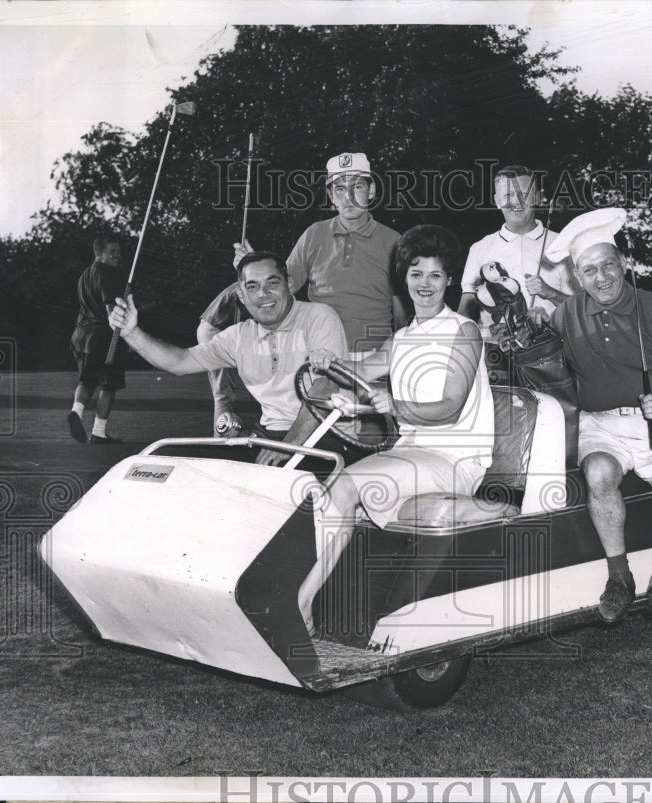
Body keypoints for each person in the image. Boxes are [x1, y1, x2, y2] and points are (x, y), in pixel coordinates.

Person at [304, 225, 494, 634]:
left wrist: (396, 404)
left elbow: (449, 407)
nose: (424, 284)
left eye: (435, 275)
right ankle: (339, 605)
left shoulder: (464, 331)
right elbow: (356, 370)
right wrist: (324, 363)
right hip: (411, 453)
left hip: (455, 458)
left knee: (344, 486)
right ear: (403, 278)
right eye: (415, 273)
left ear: (449, 281)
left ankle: (305, 606)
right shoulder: (402, 337)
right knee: (327, 485)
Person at [538, 208, 652, 623]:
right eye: (589, 270)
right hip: (602, 428)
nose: (602, 278)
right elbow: (546, 366)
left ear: (624, 263)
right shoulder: (567, 314)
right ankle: (620, 577)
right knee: (598, 472)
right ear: (578, 278)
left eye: (608, 265)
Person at [107, 250, 348, 464]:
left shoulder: (318, 316)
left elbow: (326, 386)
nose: (263, 294)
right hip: (269, 438)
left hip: (323, 435)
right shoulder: (238, 336)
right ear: (242, 297)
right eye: (252, 287)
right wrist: (132, 333)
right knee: (172, 462)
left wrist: (290, 445)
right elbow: (180, 362)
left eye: (272, 283)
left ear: (289, 284)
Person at [283, 152, 406, 352]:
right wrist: (255, 267)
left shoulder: (394, 241)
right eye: (340, 189)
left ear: (371, 190)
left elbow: (401, 306)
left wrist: (399, 353)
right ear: (331, 196)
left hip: (374, 355)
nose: (348, 197)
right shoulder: (314, 234)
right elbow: (283, 289)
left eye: (357, 187)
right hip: (318, 354)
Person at [458, 164, 575, 329]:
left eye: (523, 194)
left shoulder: (564, 244)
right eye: (507, 195)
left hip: (553, 350)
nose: (515, 201)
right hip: (496, 350)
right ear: (497, 201)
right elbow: (467, 310)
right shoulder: (479, 248)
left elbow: (583, 308)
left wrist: (551, 294)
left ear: (537, 197)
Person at [67, 234, 129, 444]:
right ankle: (99, 432)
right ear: (98, 253)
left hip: (81, 335)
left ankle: (77, 410)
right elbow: (112, 313)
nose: (117, 256)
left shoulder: (84, 275)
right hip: (102, 337)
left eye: (118, 252)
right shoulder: (106, 274)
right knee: (109, 384)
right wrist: (125, 337)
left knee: (87, 380)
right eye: (112, 252)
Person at [196, 280, 250, 435]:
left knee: (224, 390)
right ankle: (221, 437)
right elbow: (238, 325)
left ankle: (222, 435)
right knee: (223, 392)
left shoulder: (246, 283)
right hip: (213, 332)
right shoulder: (245, 286)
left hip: (211, 330)